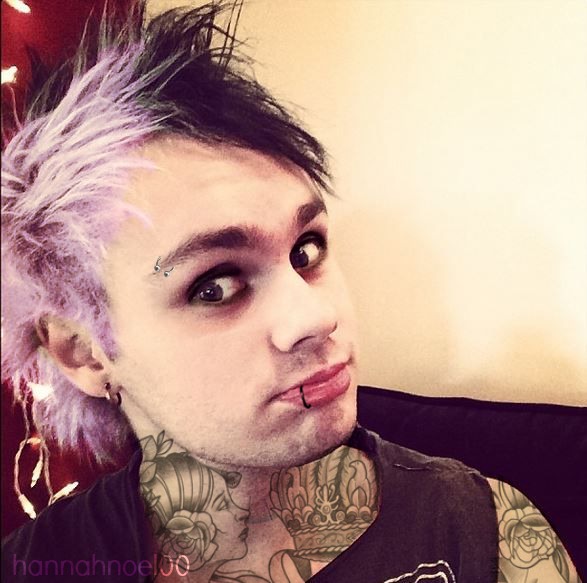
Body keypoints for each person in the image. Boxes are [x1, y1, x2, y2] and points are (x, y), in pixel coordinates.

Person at [1, 2, 581, 582]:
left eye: (305, 250)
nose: (317, 315)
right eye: (215, 286)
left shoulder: (490, 535)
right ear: (84, 352)